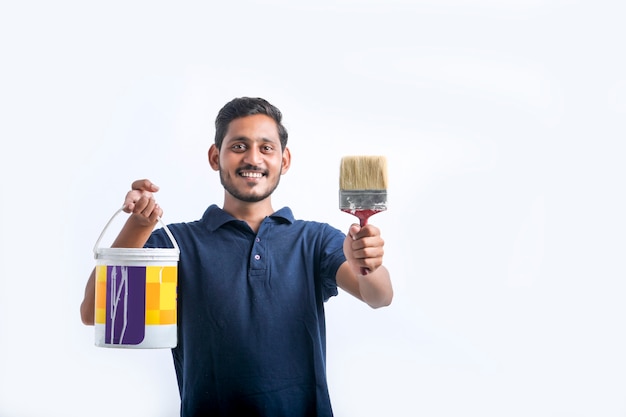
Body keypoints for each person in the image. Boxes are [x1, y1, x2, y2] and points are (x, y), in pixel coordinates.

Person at [80, 96, 393, 416]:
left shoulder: (314, 240)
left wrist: (367, 265)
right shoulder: (177, 245)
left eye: (266, 147)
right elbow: (99, 314)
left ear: (284, 161)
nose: (253, 158)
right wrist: (138, 225)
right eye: (239, 146)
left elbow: (379, 296)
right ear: (216, 156)